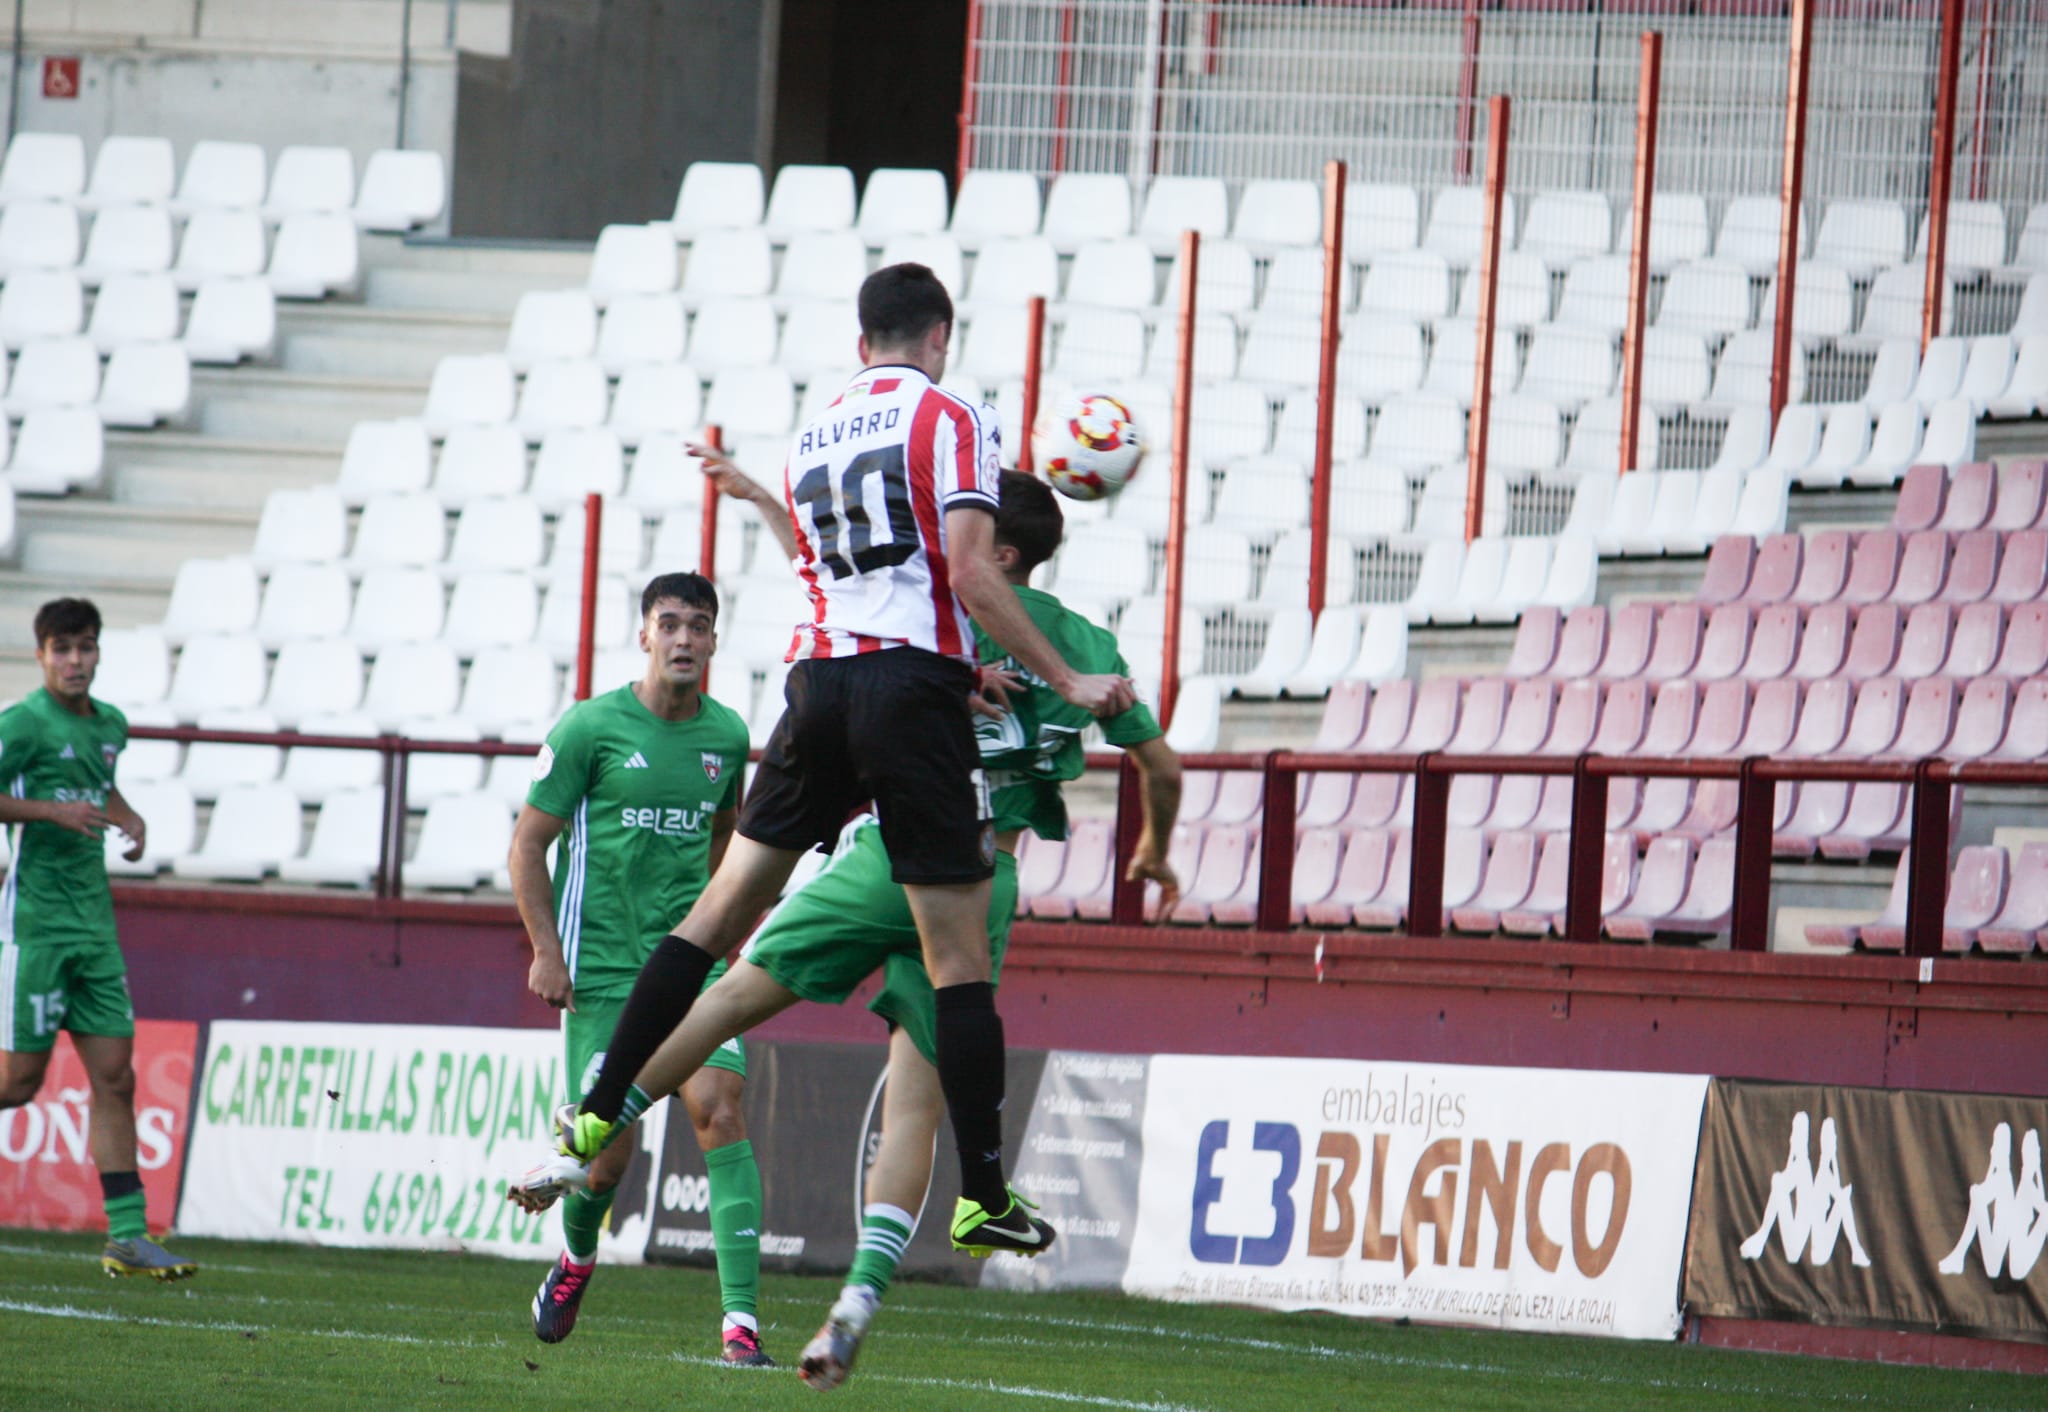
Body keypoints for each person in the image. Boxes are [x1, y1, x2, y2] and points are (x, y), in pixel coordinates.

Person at [515, 263, 1136, 1259]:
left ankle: (594, 1112)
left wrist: (938, 666)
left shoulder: (816, 429)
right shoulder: (951, 414)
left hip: (818, 691)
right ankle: (982, 1191)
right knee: (957, 960)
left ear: (861, 343)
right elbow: (971, 572)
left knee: (715, 913)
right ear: (939, 333)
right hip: (905, 703)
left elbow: (842, 584)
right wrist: (1060, 676)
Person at [519, 466, 1182, 1389]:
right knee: (912, 1099)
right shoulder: (1084, 644)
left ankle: (588, 1133)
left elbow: (839, 586)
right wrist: (1155, 851)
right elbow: (1162, 767)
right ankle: (864, 1297)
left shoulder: (943, 612)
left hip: (883, 853)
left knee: (731, 991)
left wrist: (767, 506)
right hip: (979, 875)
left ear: (1000, 552)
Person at [507, 572, 770, 1364]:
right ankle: (577, 1261)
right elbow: (527, 845)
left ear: (716, 641)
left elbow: (727, 837)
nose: (685, 639)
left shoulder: (726, 737)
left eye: (699, 625)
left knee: (718, 1108)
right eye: (670, 624)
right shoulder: (591, 727)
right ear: (645, 635)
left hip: (686, 973)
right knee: (604, 1161)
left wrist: (719, 924)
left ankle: (741, 1327)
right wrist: (546, 951)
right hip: (602, 975)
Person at [0, 597, 194, 1280]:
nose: (75, 661)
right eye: (62, 649)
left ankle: (128, 1236)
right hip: (35, 928)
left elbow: (100, 786)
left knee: (115, 1077)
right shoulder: (22, 725)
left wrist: (130, 817)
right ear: (41, 655)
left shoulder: (110, 724)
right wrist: (48, 811)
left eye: (85, 647)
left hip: (94, 928)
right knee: (18, 1083)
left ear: (99, 651)